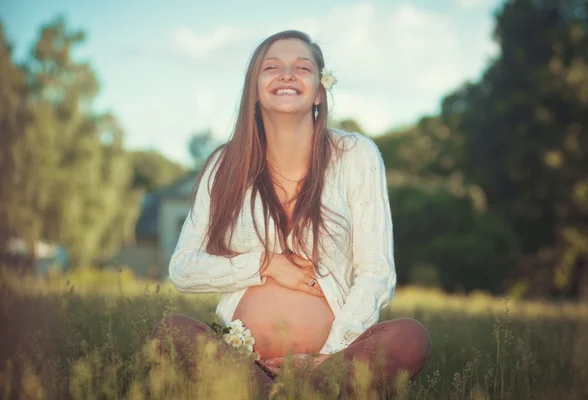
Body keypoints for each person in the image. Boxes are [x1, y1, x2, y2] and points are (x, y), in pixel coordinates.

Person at [150, 29, 430, 398]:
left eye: (301, 66)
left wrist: (329, 353)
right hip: (242, 359)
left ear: (318, 91)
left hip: (331, 358)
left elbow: (377, 271)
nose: (286, 74)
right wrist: (264, 263)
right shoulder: (225, 164)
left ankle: (302, 389)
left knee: (411, 337)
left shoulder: (356, 155)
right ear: (254, 90)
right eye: (271, 67)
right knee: (171, 331)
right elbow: (183, 268)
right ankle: (274, 391)